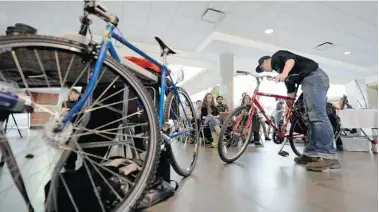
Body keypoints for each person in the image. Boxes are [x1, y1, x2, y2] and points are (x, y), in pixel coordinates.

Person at [256, 50, 340, 171]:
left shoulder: (277, 57)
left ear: (265, 61)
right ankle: (311, 154)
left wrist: (284, 73)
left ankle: (327, 156)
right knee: (311, 119)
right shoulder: (285, 72)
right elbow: (290, 94)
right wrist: (287, 111)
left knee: (318, 116)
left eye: (262, 67)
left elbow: (291, 59)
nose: (264, 70)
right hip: (308, 81)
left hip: (314, 77)